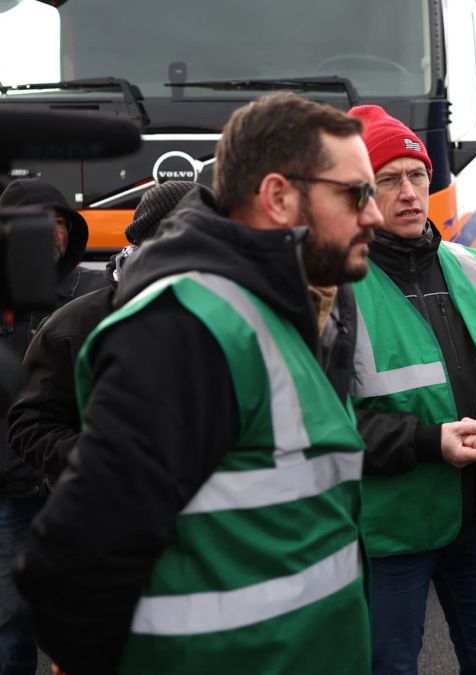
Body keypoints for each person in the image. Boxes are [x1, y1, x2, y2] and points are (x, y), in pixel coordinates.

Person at [14, 92, 383, 675]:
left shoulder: (291, 310)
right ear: (279, 196)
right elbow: (74, 560)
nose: (376, 214)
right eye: (356, 192)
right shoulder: (188, 326)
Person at [345, 104, 476, 675]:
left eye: (417, 175)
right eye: (388, 179)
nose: (410, 192)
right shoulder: (335, 290)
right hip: (390, 532)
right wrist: (428, 441)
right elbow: (325, 420)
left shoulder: (475, 268)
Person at [8, 181, 205, 497]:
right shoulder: (77, 322)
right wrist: (98, 461)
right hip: (94, 513)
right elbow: (32, 421)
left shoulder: (237, 317)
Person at [0, 179, 105, 675]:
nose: (49, 233)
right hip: (12, 490)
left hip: (80, 487)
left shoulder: (97, 293)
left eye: (58, 222)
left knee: (87, 615)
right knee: (11, 618)